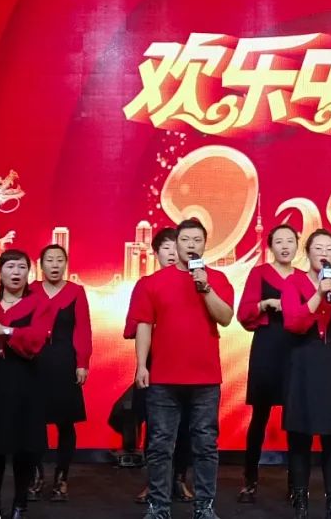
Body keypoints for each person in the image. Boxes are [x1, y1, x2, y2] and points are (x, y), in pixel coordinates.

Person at [130, 218, 235, 519]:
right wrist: (141, 365)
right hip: (163, 378)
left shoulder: (217, 279)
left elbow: (226, 317)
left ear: (205, 244)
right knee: (160, 445)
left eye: (197, 240)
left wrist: (205, 288)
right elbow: (144, 326)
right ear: (175, 244)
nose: (191, 245)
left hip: (205, 379)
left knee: (205, 445)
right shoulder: (152, 283)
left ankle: (204, 507)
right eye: (185, 240)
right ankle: (158, 507)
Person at [0, 249, 55, 519]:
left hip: (26, 380)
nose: (16, 273)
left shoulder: (39, 303)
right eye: (10, 267)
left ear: (29, 273)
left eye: (22, 267)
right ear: (0, 272)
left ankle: (19, 505)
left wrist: (6, 330)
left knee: (23, 447)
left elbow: (37, 340)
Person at [281, 228, 331, 519]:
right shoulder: (293, 282)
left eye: (329, 249)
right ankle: (301, 499)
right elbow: (294, 323)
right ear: (308, 252)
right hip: (301, 361)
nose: (324, 253)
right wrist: (318, 295)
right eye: (318, 248)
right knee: (300, 435)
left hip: (330, 362)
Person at [125, 229, 194, 505]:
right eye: (165, 248)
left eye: (175, 247)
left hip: (187, 362)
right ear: (155, 253)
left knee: (186, 425)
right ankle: (154, 482)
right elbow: (133, 326)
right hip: (156, 363)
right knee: (156, 427)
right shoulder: (147, 285)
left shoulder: (195, 282)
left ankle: (179, 478)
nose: (171, 253)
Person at [235, 224, 298, 503]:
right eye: (279, 241)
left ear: (297, 245)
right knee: (260, 416)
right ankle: (249, 480)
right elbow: (243, 314)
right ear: (270, 246)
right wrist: (265, 304)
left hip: (296, 350)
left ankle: (296, 484)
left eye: (290, 241)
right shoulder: (259, 273)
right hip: (267, 347)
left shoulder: (303, 277)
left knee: (296, 420)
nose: (285, 246)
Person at [28, 243, 92, 502]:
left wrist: (82, 362)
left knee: (65, 422)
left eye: (59, 260)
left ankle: (61, 479)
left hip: (65, 362)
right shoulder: (30, 290)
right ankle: (36, 477)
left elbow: (83, 329)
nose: (55, 265)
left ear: (66, 264)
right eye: (49, 260)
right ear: (40, 264)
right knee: (33, 423)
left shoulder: (76, 292)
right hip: (34, 362)